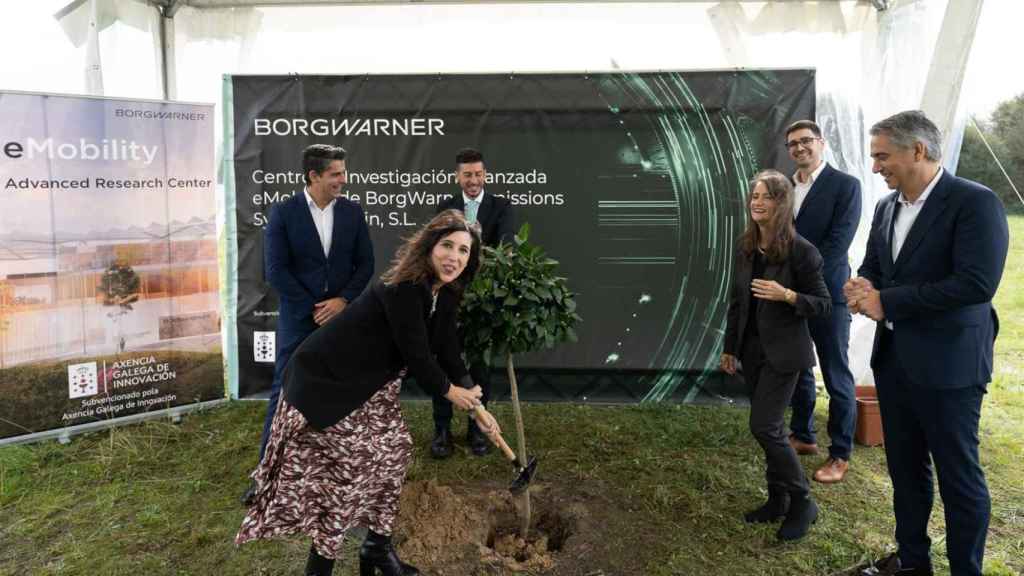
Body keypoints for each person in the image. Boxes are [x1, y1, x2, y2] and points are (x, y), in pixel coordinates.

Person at [236, 209, 500, 576]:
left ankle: (377, 549)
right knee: (348, 477)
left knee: (395, 452)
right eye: (447, 246)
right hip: (326, 384)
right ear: (429, 247)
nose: (454, 257)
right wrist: (453, 393)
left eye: (464, 251)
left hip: (369, 387)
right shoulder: (405, 289)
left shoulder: (445, 293)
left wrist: (476, 402)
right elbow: (419, 357)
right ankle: (320, 568)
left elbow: (447, 348)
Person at [847, 111, 1008, 576]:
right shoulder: (886, 207)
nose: (875, 167)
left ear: (917, 150)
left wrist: (886, 302)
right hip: (895, 363)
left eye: (882, 156)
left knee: (959, 478)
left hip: (950, 366)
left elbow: (975, 284)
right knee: (906, 471)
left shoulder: (975, 202)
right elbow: (875, 263)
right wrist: (863, 286)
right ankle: (913, 563)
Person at [242, 144, 374, 506]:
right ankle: (266, 475)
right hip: (299, 319)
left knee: (344, 394)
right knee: (285, 394)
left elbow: (365, 265)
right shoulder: (284, 213)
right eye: (335, 174)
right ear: (314, 176)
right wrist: (314, 308)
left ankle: (342, 474)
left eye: (343, 173)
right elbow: (275, 271)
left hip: (342, 320)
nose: (343, 180)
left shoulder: (352, 211)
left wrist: (342, 301)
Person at [721, 170, 832, 542]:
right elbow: (737, 301)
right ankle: (777, 500)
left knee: (764, 426)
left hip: (785, 355)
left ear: (781, 203)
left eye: (766, 196)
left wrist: (787, 295)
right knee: (772, 431)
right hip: (751, 352)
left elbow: (823, 305)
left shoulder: (803, 251)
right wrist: (729, 347)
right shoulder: (745, 246)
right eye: (754, 195)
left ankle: (803, 502)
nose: (756, 202)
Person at [783, 120, 862, 484]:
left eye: (805, 141)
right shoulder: (784, 187)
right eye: (792, 144)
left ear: (821, 143)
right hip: (790, 295)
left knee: (835, 374)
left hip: (827, 294)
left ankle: (840, 453)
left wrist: (803, 284)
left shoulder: (846, 186)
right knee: (799, 366)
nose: (799, 148)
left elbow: (837, 244)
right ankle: (802, 436)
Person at [431, 147, 515, 458]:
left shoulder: (501, 207)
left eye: (478, 174)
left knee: (480, 369)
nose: (474, 179)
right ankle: (441, 430)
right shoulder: (446, 207)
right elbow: (436, 252)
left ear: (485, 175)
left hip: (484, 303)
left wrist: (477, 257)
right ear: (458, 177)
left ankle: (476, 430)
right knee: (443, 364)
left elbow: (506, 250)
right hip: (448, 300)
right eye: (467, 174)